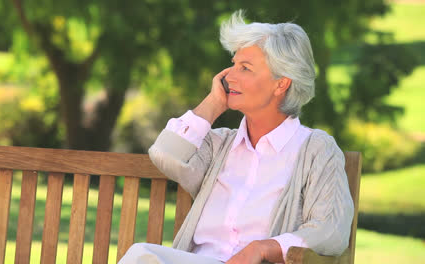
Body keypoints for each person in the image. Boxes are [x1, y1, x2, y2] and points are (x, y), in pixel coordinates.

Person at [119, 10, 353, 264]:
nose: (229, 76)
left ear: (281, 84)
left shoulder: (316, 150)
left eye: (245, 68)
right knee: (142, 255)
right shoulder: (219, 145)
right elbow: (165, 154)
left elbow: (331, 231)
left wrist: (262, 249)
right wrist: (212, 104)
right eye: (233, 65)